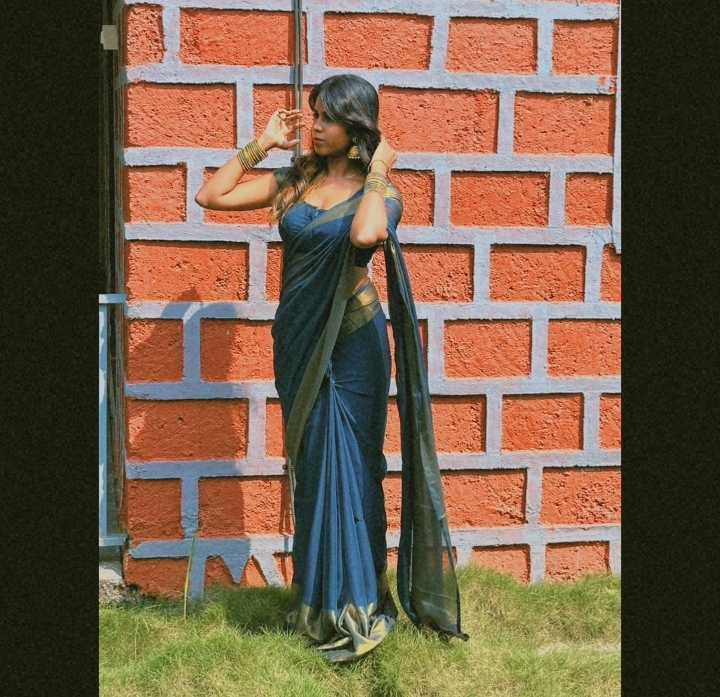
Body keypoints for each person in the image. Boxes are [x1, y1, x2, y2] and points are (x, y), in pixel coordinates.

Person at [195, 74, 467, 662]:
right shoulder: (296, 180)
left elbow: (366, 233)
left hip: (352, 342)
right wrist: (261, 144)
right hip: (298, 339)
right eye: (313, 114)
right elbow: (210, 196)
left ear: (355, 127)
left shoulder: (381, 194)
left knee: (355, 467)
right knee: (316, 467)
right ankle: (317, 601)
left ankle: (359, 603)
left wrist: (378, 170)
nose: (314, 126)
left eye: (327, 118)